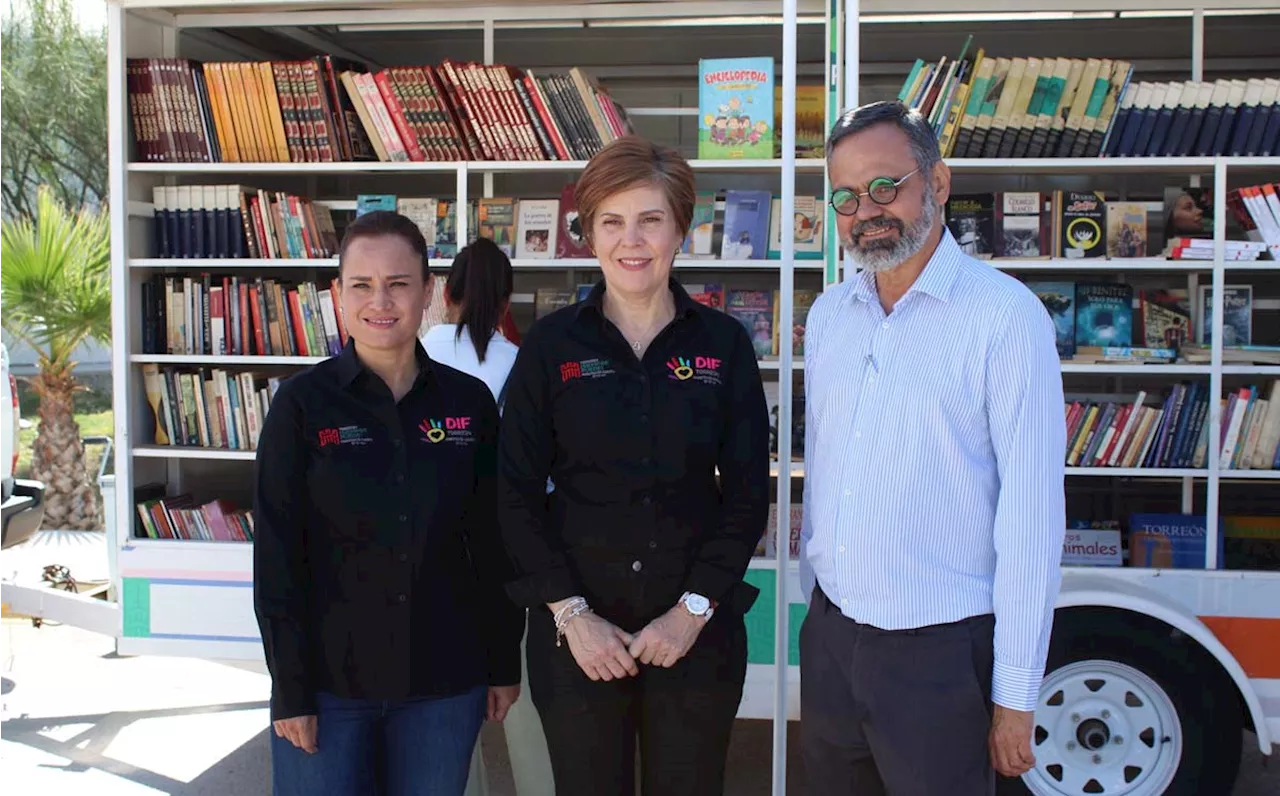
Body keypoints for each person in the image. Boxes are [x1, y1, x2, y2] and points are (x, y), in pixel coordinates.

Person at [798, 100, 1066, 794]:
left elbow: (1032, 521)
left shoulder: (1005, 319)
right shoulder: (830, 316)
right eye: (847, 197)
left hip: (940, 656)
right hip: (832, 639)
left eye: (886, 186)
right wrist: (817, 609)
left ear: (938, 183)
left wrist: (1014, 695)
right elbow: (827, 471)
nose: (867, 210)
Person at [496, 135, 771, 795]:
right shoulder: (550, 346)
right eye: (612, 222)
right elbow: (513, 492)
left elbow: (745, 494)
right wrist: (571, 614)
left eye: (651, 219)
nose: (633, 240)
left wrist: (693, 610)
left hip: (694, 635)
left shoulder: (723, 344)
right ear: (589, 234)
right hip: (579, 639)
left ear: (682, 227)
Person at [252, 210, 524, 796]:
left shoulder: (469, 404)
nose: (382, 300)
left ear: (428, 292)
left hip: (444, 685)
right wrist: (290, 688)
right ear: (338, 295)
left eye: (399, 283)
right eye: (362, 285)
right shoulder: (302, 407)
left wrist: (503, 661)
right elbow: (277, 557)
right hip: (328, 687)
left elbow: (493, 543)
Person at [419, 236, 556, 795]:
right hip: (511, 554)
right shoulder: (523, 365)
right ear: (507, 302)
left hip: (434, 557)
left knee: (446, 718)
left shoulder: (416, 350)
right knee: (524, 704)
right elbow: (543, 472)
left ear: (444, 292)